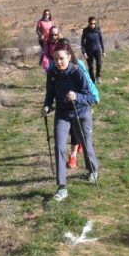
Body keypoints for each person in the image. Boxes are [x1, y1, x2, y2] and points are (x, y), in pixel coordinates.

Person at [42, 42, 99, 201]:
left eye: (61, 58)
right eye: (55, 59)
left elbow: (89, 97)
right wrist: (47, 106)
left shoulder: (77, 71)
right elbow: (49, 94)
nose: (58, 62)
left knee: (86, 142)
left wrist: (76, 96)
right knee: (59, 146)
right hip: (62, 114)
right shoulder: (52, 72)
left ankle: (92, 170)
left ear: (69, 57)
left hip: (80, 112)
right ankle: (62, 187)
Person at [80, 16, 106, 83]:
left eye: (94, 23)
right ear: (89, 23)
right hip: (88, 50)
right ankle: (92, 80)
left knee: (99, 63)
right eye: (91, 23)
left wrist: (103, 51)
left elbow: (101, 40)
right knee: (90, 66)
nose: (92, 25)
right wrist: (84, 52)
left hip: (97, 49)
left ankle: (98, 76)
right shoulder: (85, 30)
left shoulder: (98, 30)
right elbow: (82, 42)